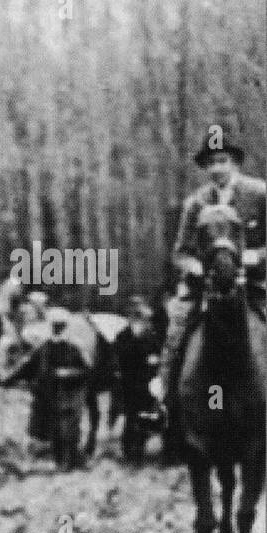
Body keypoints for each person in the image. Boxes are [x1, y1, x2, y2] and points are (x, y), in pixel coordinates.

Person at [154, 134, 266, 424]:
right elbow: (180, 252)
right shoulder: (196, 203)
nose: (217, 168)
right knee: (176, 330)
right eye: (210, 163)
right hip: (206, 288)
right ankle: (163, 400)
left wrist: (256, 257)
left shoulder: (259, 194)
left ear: (235, 162)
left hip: (253, 283)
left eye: (222, 161)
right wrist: (196, 267)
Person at [6, 307, 90, 470]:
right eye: (54, 325)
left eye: (60, 325)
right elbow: (29, 367)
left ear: (66, 327)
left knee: (69, 430)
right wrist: (8, 380)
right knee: (55, 430)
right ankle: (61, 462)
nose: (57, 329)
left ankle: (70, 462)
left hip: (70, 395)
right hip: (50, 396)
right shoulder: (44, 347)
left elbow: (87, 371)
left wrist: (68, 373)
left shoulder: (75, 348)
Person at [111, 301, 162, 462]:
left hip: (146, 382)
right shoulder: (123, 336)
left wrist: (155, 360)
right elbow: (118, 357)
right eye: (140, 317)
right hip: (129, 383)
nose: (144, 322)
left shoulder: (150, 336)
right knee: (131, 416)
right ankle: (129, 449)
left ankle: (138, 448)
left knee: (144, 416)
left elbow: (156, 352)